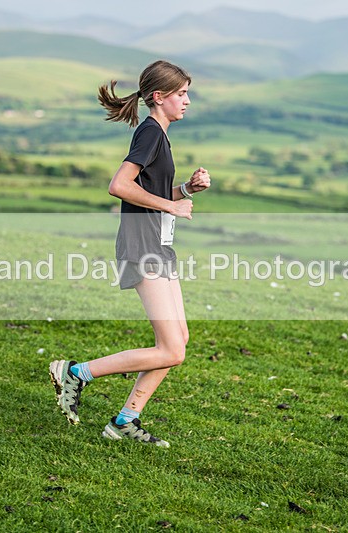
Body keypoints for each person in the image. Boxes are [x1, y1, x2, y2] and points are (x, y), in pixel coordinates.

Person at [49, 60, 211, 448]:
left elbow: (149, 194)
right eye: (182, 94)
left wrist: (184, 191)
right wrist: (172, 207)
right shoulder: (151, 133)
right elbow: (119, 185)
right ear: (160, 97)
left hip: (158, 243)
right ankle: (77, 373)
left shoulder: (159, 134)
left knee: (178, 344)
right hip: (142, 245)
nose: (187, 101)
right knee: (171, 348)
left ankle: (124, 421)